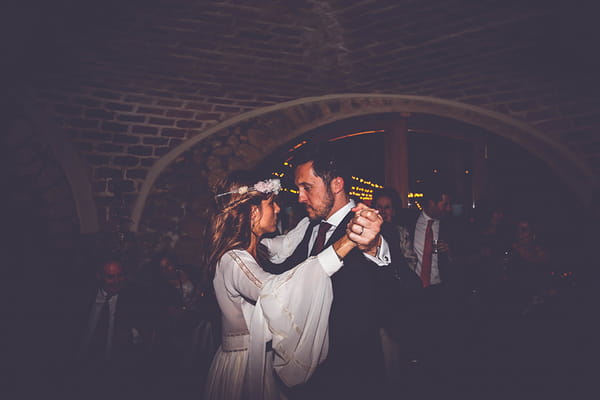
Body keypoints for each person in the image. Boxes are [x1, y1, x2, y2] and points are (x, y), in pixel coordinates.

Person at [204, 170, 378, 400]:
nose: (278, 209)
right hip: (245, 366)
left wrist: (323, 215)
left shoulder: (260, 248)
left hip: (264, 359)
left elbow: (289, 242)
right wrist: (347, 241)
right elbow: (275, 291)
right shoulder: (233, 259)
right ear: (253, 213)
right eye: (272, 203)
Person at [261, 143, 390, 400]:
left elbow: (400, 292)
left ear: (336, 185)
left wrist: (375, 247)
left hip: (353, 376)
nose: (299, 197)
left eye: (306, 187)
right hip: (309, 374)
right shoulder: (309, 227)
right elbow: (290, 276)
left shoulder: (371, 227)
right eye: (299, 188)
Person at [372, 188, 420, 383]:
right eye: (379, 207)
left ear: (394, 211)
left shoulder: (401, 233)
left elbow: (410, 265)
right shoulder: (367, 233)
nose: (383, 212)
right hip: (373, 304)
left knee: (394, 357)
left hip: (397, 303)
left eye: (388, 208)